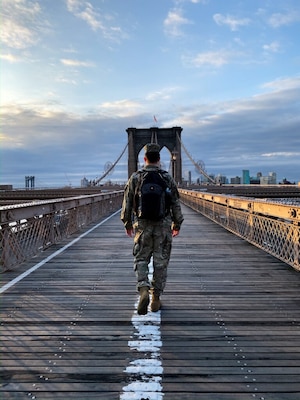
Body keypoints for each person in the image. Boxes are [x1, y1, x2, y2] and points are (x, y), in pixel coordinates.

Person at [121, 143, 184, 315]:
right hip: (163, 226)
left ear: (144, 158)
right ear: (159, 159)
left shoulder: (136, 177)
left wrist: (127, 223)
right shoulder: (166, 178)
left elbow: (127, 203)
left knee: (141, 259)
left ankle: (143, 289)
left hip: (142, 226)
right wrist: (177, 224)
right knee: (160, 262)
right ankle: (155, 298)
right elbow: (175, 203)